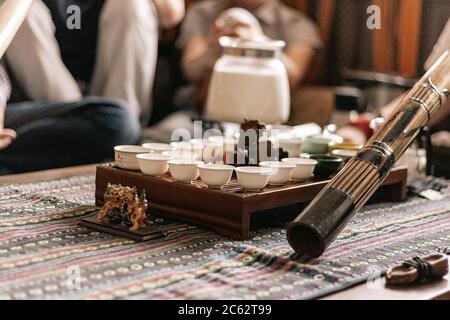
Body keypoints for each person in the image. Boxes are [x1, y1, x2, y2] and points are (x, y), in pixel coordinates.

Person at [6, 0, 185, 125]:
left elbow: (171, 14)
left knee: (132, 4)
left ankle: (122, 131)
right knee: (14, 8)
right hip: (52, 93)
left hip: (109, 85)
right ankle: (74, 124)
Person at [176, 0, 326, 125]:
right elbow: (189, 69)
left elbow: (294, 77)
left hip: (265, 121)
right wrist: (214, 49)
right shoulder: (202, 12)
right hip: (197, 115)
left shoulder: (296, 23)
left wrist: (258, 42)